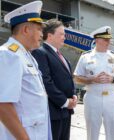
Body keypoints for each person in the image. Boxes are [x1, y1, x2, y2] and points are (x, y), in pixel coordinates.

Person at [0, 1, 52, 140]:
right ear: (26, 30)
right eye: (39, 29)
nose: (42, 34)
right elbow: (3, 105)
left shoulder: (27, 56)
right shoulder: (9, 54)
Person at [74, 26, 114, 140]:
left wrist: (113, 79)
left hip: (111, 99)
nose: (109, 42)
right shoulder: (86, 56)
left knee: (113, 132)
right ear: (97, 40)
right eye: (105, 39)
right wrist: (92, 80)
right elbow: (77, 78)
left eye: (109, 39)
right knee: (92, 133)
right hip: (93, 98)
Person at [31, 19, 77, 140]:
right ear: (50, 35)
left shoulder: (61, 56)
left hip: (66, 111)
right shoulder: (40, 53)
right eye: (61, 34)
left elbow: (69, 79)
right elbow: (46, 81)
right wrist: (65, 102)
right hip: (54, 112)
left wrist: (74, 95)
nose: (64, 37)